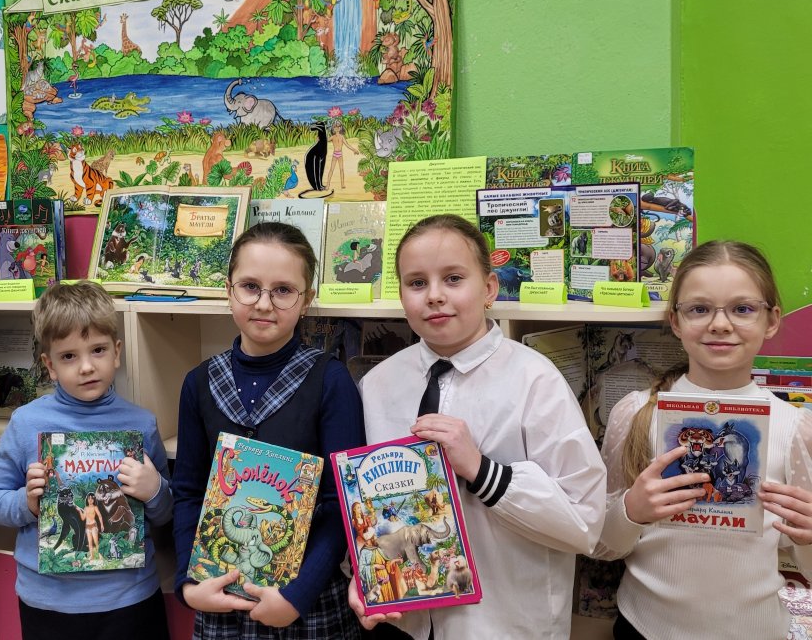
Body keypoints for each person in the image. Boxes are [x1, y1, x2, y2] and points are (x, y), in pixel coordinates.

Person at [353, 214, 605, 639]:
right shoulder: (377, 385)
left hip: (502, 625)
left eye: (453, 279)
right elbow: (362, 504)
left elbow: (585, 524)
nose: (435, 295)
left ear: (489, 288)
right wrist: (362, 576)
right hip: (404, 624)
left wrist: (482, 471)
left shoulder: (535, 380)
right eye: (417, 283)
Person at [592, 240, 812, 639]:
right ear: (675, 322)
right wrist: (630, 511)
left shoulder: (795, 426)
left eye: (742, 309)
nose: (720, 324)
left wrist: (809, 538)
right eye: (699, 309)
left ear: (772, 320)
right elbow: (603, 546)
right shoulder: (636, 412)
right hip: (644, 627)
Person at [172, 221, 367, 639]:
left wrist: (297, 596)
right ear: (228, 291)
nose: (264, 303)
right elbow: (188, 492)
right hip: (219, 594)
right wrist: (188, 583)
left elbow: (341, 504)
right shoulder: (199, 383)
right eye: (250, 287)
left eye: (283, 290)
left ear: (306, 299)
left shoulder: (330, 381)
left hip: (306, 601)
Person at [0, 280, 173, 640]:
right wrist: (27, 503)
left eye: (98, 350)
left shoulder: (141, 424)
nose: (86, 367)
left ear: (117, 352)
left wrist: (155, 490)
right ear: (49, 365)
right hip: (49, 603)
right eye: (69, 356)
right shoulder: (26, 423)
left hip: (130, 600)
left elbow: (165, 513)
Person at [326, 121, 359, 189]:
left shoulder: (342, 137)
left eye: (338, 127)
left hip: (340, 154)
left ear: (340, 128)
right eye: (335, 127)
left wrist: (354, 150)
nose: (337, 128)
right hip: (335, 154)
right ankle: (327, 184)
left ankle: (342, 184)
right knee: (331, 169)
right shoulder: (332, 137)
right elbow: (325, 140)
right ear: (333, 128)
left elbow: (347, 145)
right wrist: (320, 139)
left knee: (341, 169)